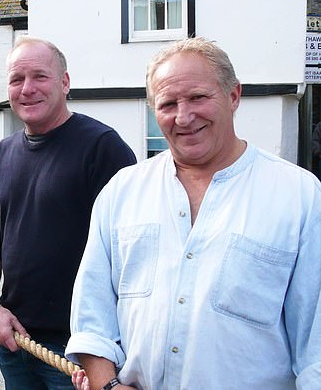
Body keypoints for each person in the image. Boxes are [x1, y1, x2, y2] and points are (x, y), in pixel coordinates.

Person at [66, 37, 321, 390]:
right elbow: (92, 316)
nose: (183, 117)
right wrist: (107, 384)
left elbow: (316, 346)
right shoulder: (122, 192)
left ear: (233, 96)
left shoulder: (300, 197)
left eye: (198, 98)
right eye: (168, 103)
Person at [0, 36, 136, 389]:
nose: (27, 89)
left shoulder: (103, 149)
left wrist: (104, 355)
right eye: (17, 79)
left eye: (40, 77)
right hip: (15, 339)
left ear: (65, 82)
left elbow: (131, 255)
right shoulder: (1, 155)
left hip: (78, 349)